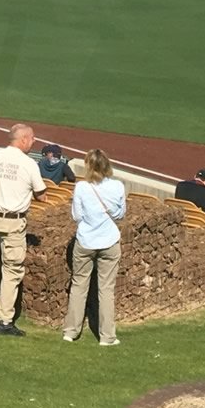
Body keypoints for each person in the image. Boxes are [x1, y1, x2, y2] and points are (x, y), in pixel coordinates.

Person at [0, 123, 48, 335]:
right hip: (11, 221)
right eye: (32, 138)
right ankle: (4, 322)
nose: (34, 141)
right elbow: (41, 194)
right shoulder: (29, 164)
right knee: (13, 270)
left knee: (4, 250)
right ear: (22, 140)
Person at [65, 148, 127, 345]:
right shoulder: (117, 186)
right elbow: (120, 214)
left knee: (78, 285)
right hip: (109, 241)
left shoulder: (82, 188)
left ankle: (71, 331)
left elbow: (77, 216)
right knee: (106, 290)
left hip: (86, 240)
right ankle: (107, 336)